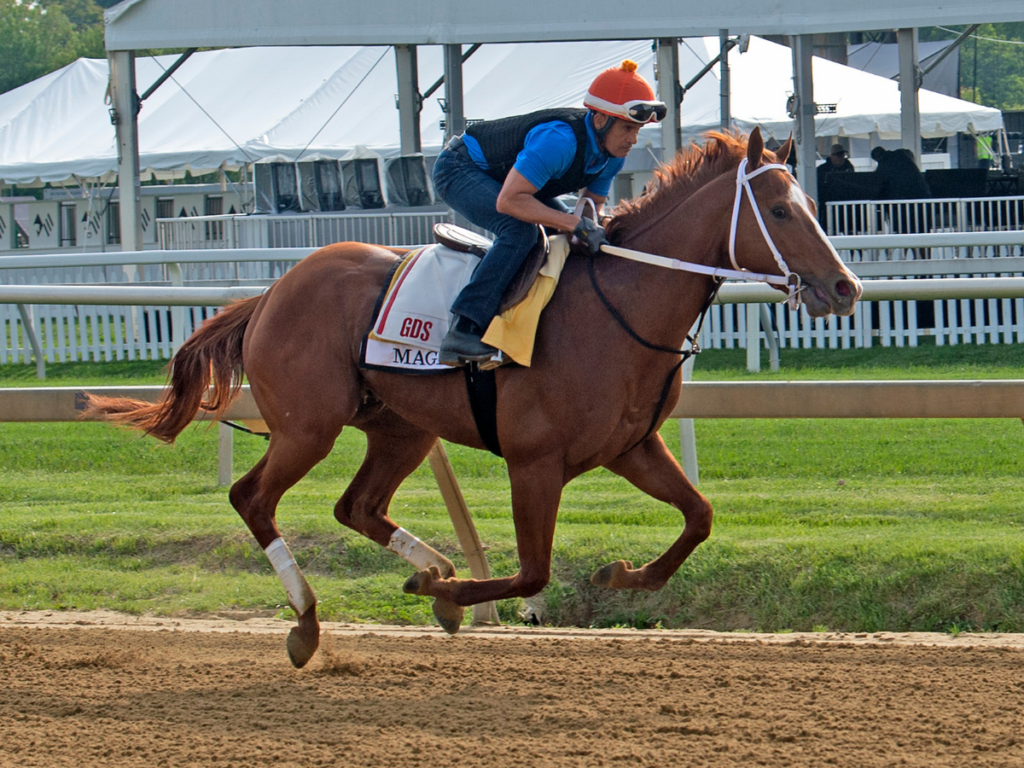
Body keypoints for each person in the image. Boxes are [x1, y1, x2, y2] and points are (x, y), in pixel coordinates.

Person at [431, 60, 666, 365]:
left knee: (566, 233)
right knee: (520, 232)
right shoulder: (560, 140)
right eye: (627, 129)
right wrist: (573, 223)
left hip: (509, 182)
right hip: (459, 168)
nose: (633, 140)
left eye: (637, 130)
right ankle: (464, 329)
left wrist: (596, 228)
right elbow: (509, 202)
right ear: (599, 121)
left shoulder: (613, 155)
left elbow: (591, 207)